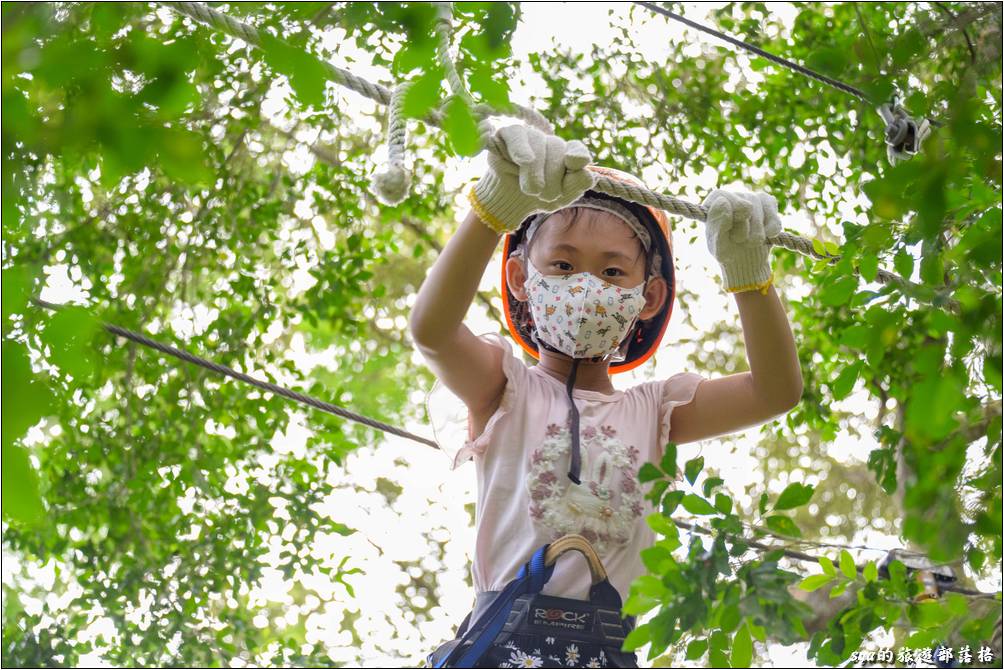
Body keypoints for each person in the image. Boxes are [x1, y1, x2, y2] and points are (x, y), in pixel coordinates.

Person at [410, 125, 803, 668]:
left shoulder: (654, 412)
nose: (587, 285)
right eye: (564, 265)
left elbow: (775, 391)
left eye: (613, 271)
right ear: (522, 278)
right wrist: (493, 208)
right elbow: (432, 329)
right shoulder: (506, 389)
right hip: (501, 647)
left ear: (649, 297)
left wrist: (750, 279)